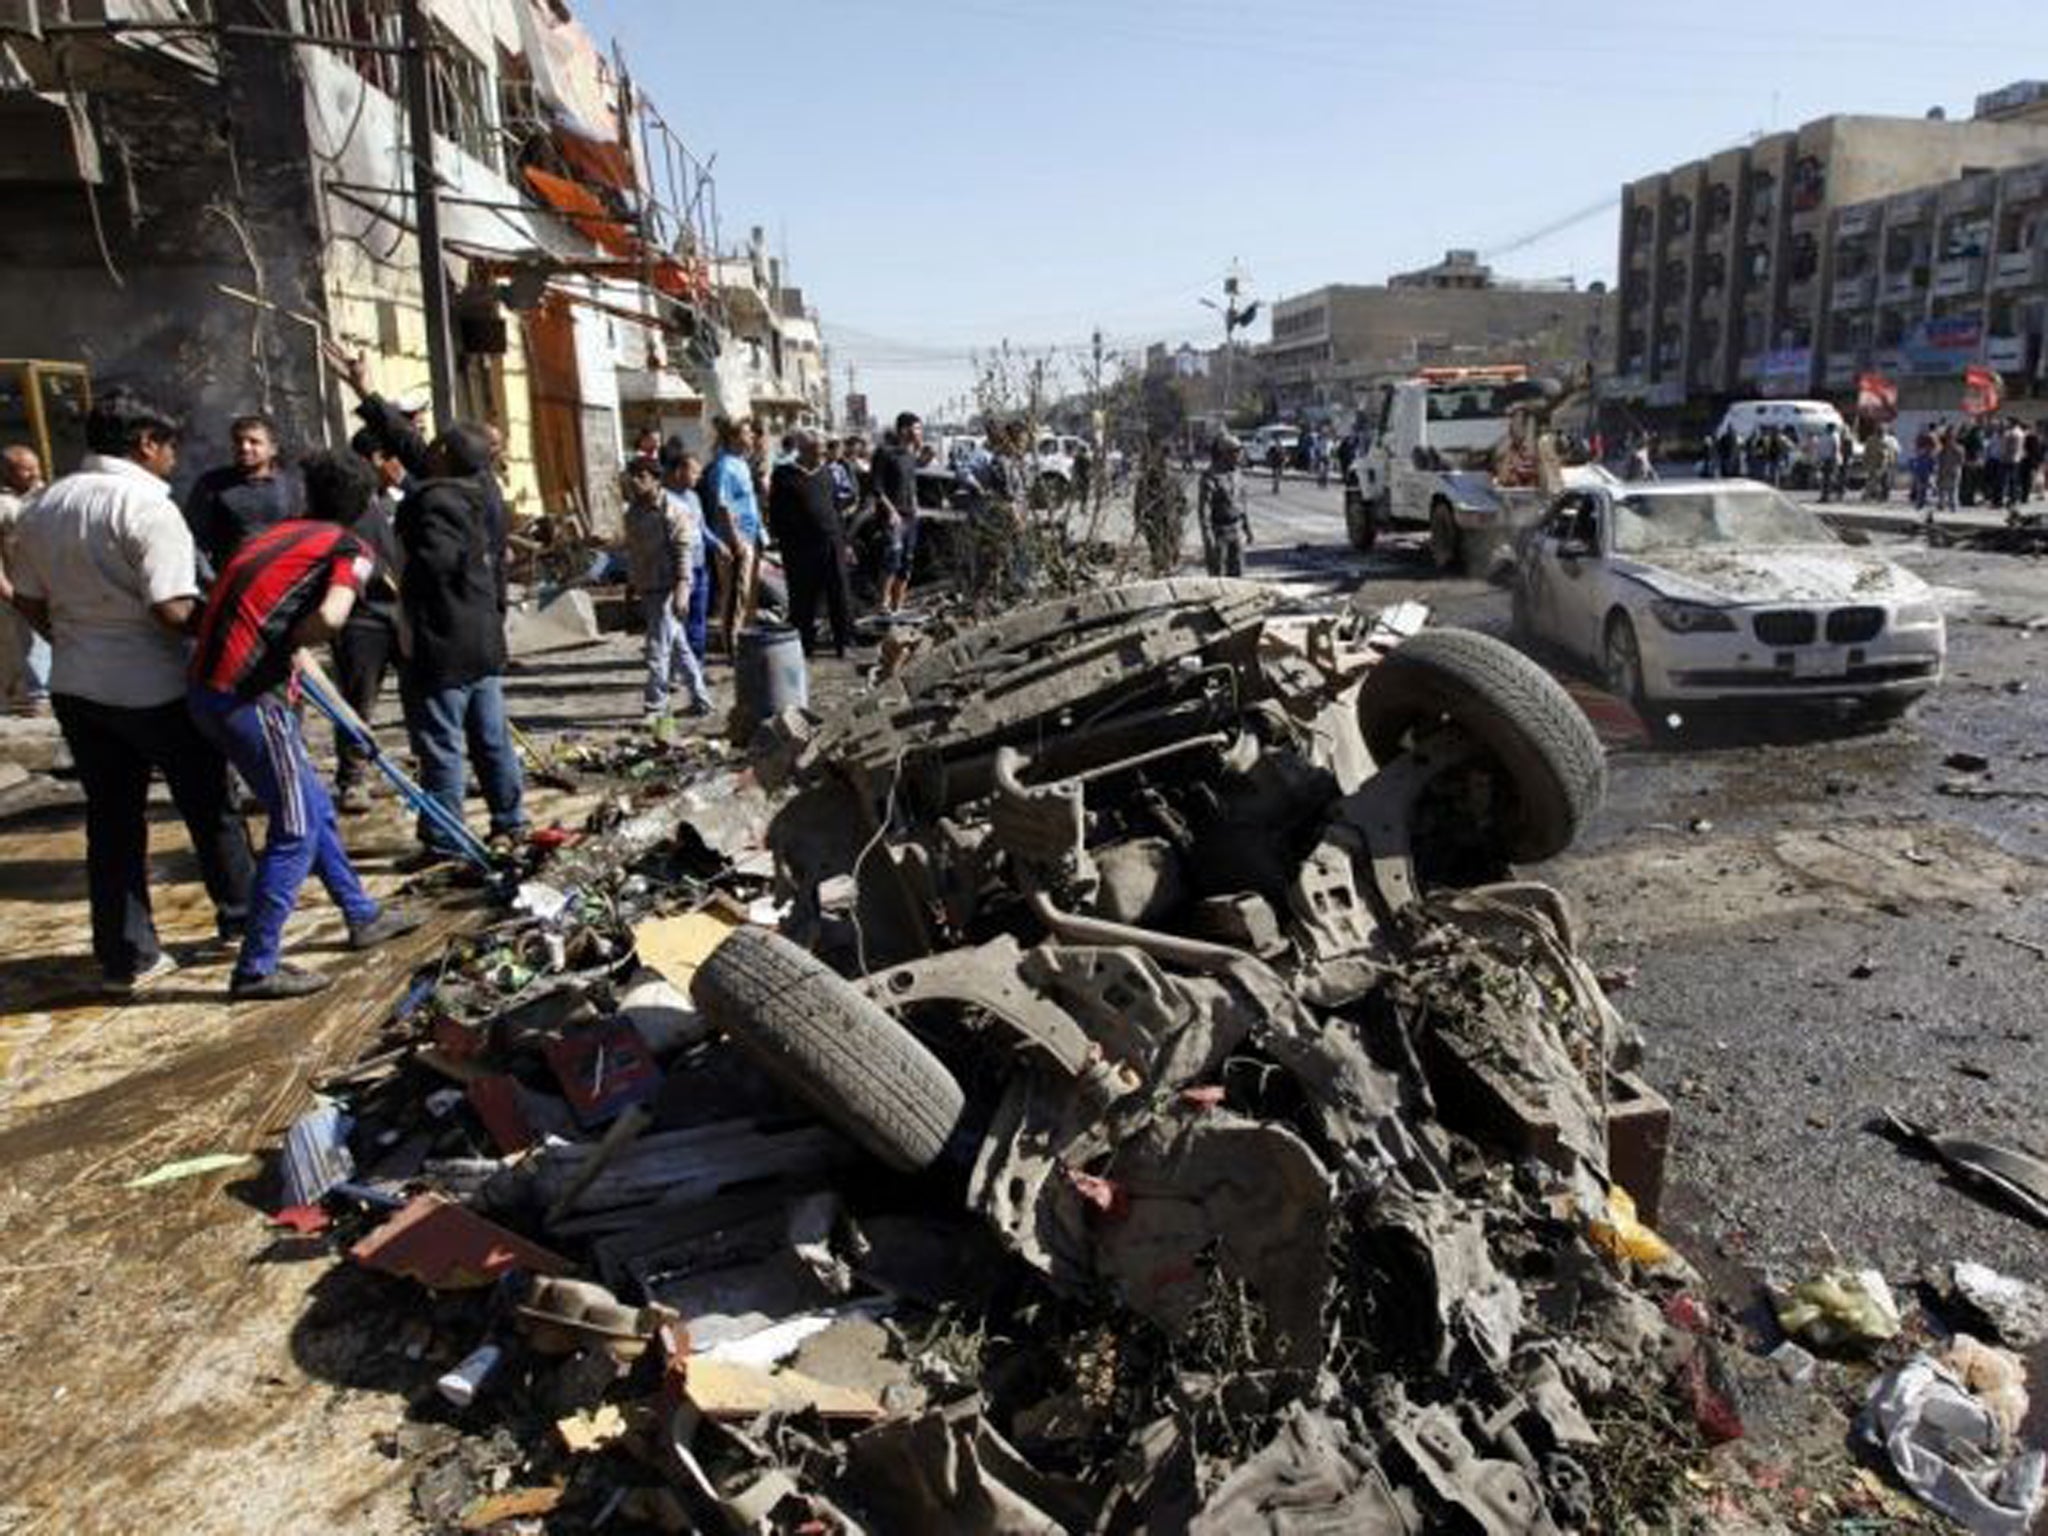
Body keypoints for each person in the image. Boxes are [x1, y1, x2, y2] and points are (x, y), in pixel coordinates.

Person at [8, 389, 255, 994]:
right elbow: (172, 608)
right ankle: (245, 920)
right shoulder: (148, 505)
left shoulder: (43, 506)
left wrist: (73, 638)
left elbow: (31, 600)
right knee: (209, 802)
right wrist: (234, 628)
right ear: (147, 444)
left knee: (112, 821)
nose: (174, 458)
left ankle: (128, 955)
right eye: (169, 445)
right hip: (154, 684)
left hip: (77, 687)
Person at [186, 453, 421, 998]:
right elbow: (329, 620)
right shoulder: (349, 549)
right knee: (294, 826)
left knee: (312, 807)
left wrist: (347, 716)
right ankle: (257, 966)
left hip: (208, 692)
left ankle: (361, 913)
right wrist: (308, 638)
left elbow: (284, 636)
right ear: (365, 503)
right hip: (251, 699)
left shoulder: (268, 540)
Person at [396, 423, 526, 864]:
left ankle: (444, 839)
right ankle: (510, 821)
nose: (425, 449)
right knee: (491, 739)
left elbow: (435, 562)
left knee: (442, 745)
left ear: (445, 453)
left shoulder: (432, 502)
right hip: (483, 638)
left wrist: (403, 586)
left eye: (433, 445)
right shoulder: (482, 493)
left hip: (443, 640)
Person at [330, 428, 406, 812]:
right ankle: (352, 779)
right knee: (357, 700)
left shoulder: (396, 500)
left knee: (423, 696)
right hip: (363, 618)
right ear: (377, 458)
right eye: (395, 457)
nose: (401, 466)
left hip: (405, 615)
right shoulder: (347, 505)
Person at [622, 455, 712, 720]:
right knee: (678, 646)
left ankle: (655, 706)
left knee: (657, 648)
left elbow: (683, 549)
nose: (637, 482)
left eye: (643, 477)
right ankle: (701, 699)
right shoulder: (634, 511)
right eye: (633, 476)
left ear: (656, 479)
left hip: (669, 585)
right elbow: (634, 548)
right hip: (649, 583)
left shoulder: (672, 508)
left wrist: (683, 586)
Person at [184, 413, 304, 579]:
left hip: (285, 580)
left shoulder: (293, 486)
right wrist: (212, 581)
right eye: (238, 441)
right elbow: (194, 539)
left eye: (254, 442)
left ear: (273, 449)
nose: (245, 447)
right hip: (233, 582)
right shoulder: (212, 484)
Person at [768, 429, 853, 657]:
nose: (822, 456)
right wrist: (784, 540)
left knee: (839, 594)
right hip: (800, 548)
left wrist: (844, 542)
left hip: (831, 543)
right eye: (817, 451)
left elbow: (836, 509)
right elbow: (776, 513)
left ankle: (843, 642)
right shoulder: (785, 475)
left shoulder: (826, 473)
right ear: (803, 451)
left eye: (823, 451)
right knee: (803, 597)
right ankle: (805, 645)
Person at [698, 415, 764, 651]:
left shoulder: (742, 464)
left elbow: (749, 502)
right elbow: (722, 505)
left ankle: (746, 637)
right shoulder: (724, 465)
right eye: (748, 433)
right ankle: (732, 646)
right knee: (735, 595)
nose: (752, 436)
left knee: (747, 594)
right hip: (733, 539)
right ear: (735, 437)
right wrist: (735, 540)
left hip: (750, 535)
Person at [0, 445, 51, 713]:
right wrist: (6, 589)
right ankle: (35, 695)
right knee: (27, 641)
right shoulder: (3, 505)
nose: (34, 473)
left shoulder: (47, 497)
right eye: (26, 468)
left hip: (51, 584)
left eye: (36, 466)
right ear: (8, 472)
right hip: (17, 588)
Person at [872, 412, 923, 613]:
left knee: (907, 562)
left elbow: (912, 483)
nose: (920, 433)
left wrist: (916, 504)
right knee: (892, 557)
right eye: (917, 428)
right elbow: (877, 488)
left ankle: (897, 606)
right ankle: (882, 604)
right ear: (904, 430)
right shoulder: (884, 453)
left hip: (911, 517)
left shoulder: (909, 455)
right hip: (892, 517)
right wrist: (891, 512)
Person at [1199, 436, 1253, 576]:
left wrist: (1247, 528)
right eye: (1236, 452)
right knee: (1218, 575)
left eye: (1240, 451)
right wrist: (1207, 537)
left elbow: (1242, 504)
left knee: (1238, 573)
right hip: (1219, 532)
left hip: (1235, 530)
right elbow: (1204, 511)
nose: (1239, 456)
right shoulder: (1211, 476)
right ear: (1225, 453)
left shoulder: (1238, 474)